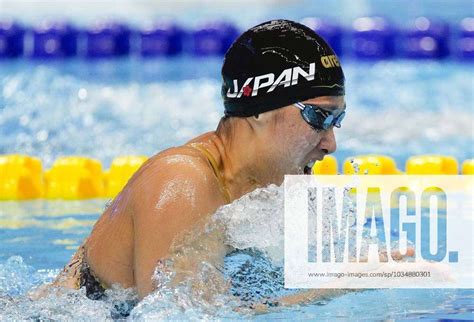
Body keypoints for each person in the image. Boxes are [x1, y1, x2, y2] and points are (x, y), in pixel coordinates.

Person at [49, 19, 346, 302]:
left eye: (337, 120)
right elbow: (176, 314)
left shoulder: (267, 185)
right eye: (318, 117)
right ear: (260, 108)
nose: (330, 144)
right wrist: (337, 284)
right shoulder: (181, 181)